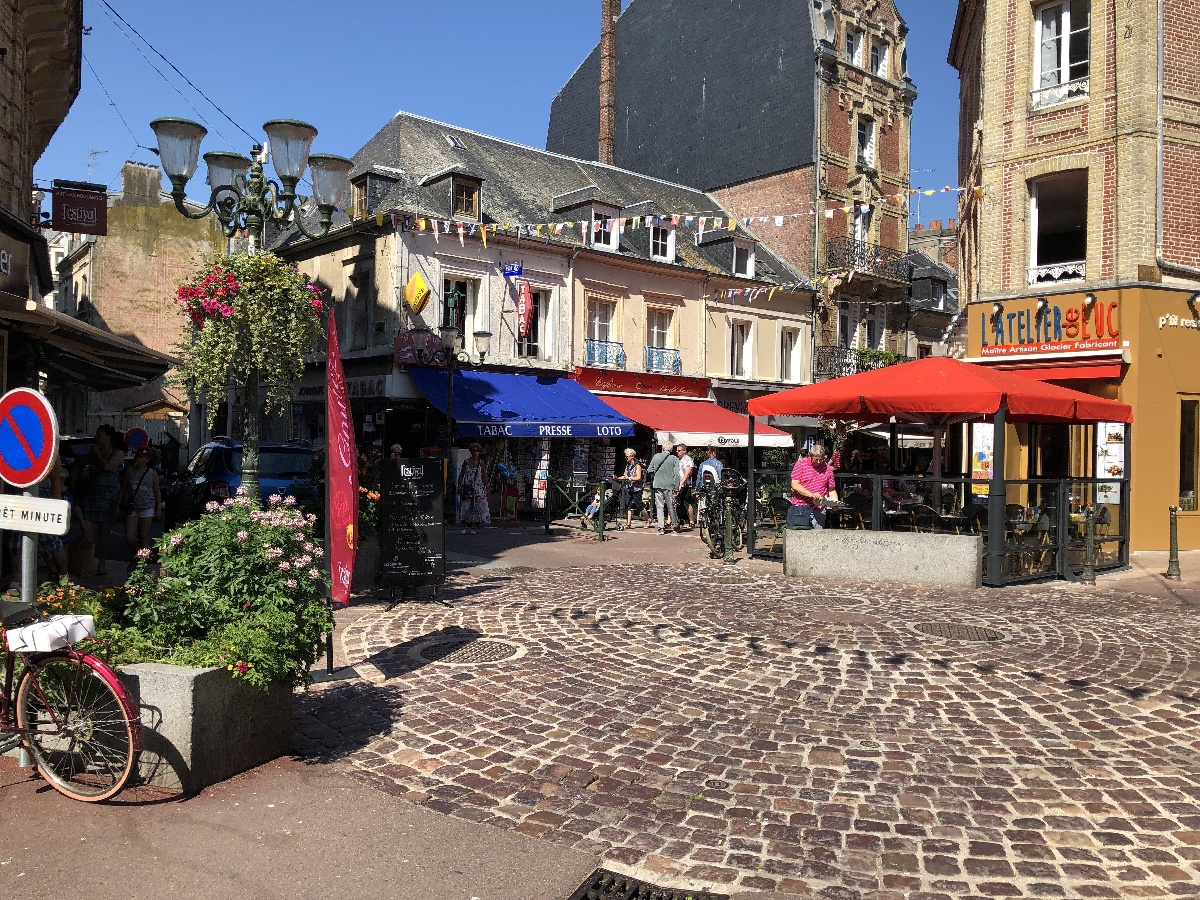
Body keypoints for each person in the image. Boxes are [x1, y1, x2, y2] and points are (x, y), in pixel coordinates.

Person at [80, 424, 125, 578]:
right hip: (91, 494)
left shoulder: (118, 453)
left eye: (100, 435)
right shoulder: (93, 452)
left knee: (104, 533)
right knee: (88, 529)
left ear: (109, 437)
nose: (97, 438)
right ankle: (87, 562)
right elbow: (82, 466)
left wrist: (97, 454)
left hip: (108, 497)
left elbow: (108, 466)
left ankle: (102, 563)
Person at [117, 447, 161, 571]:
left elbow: (157, 492)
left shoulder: (152, 473)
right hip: (132, 507)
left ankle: (140, 563)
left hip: (147, 507)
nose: (137, 458)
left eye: (140, 457)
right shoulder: (129, 472)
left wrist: (158, 508)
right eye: (136, 456)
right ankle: (139, 556)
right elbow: (123, 489)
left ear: (146, 459)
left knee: (143, 536)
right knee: (129, 538)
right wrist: (118, 506)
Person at [789, 441, 838, 529]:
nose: (819, 462)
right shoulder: (801, 464)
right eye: (816, 459)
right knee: (800, 535)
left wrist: (835, 502)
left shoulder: (828, 469)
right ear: (810, 456)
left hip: (819, 508)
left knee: (817, 536)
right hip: (801, 507)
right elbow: (795, 484)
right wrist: (811, 494)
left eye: (821, 459)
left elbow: (831, 489)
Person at [457, 443, 490, 534]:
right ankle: (465, 525)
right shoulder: (466, 462)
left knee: (476, 506)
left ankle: (474, 526)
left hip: (478, 487)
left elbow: (484, 475)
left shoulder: (481, 463)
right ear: (471, 452)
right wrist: (459, 486)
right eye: (473, 451)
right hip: (468, 486)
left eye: (477, 451)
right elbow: (462, 474)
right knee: (466, 506)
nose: (475, 453)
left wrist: (486, 486)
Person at [647, 440, 679, 534]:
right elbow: (676, 474)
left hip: (658, 484)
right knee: (670, 506)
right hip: (669, 485)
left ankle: (661, 527)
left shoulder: (656, 456)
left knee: (659, 506)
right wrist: (676, 487)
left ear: (662, 448)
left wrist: (656, 475)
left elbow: (650, 469)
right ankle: (675, 525)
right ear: (671, 449)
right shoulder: (674, 458)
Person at [615, 448, 649, 528]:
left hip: (637, 488)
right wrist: (617, 478)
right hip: (629, 488)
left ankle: (648, 519)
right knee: (628, 505)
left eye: (627, 456)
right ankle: (628, 523)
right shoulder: (627, 466)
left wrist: (629, 478)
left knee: (639, 506)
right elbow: (625, 476)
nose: (625, 458)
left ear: (632, 456)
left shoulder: (637, 466)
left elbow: (638, 478)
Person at [674, 443, 696, 530]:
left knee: (687, 503)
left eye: (679, 450)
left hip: (686, 485)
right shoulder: (677, 460)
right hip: (677, 484)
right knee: (676, 502)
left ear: (684, 451)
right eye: (677, 450)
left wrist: (681, 483)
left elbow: (687, 474)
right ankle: (678, 520)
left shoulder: (688, 460)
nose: (677, 452)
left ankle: (691, 521)